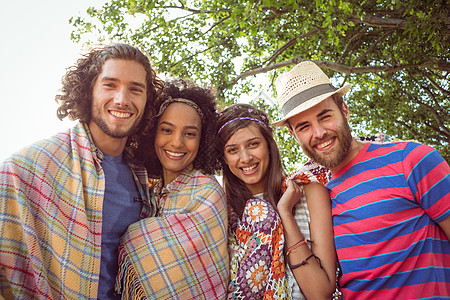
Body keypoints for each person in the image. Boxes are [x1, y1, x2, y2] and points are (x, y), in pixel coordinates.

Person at [272, 61, 450, 298]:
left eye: (325, 116)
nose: (318, 133)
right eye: (304, 127)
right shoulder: (315, 195)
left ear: (344, 110)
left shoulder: (412, 160)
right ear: (294, 135)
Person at [0, 43, 164, 299]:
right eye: (110, 85)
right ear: (89, 92)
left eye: (135, 89)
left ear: (146, 101)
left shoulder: (144, 175)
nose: (122, 99)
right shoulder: (29, 166)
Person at [114, 80, 229, 299]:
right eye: (167, 130)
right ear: (152, 134)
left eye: (190, 134)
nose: (177, 143)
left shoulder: (207, 191)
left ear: (203, 140)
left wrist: (131, 238)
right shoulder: (146, 189)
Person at [216, 104, 337, 299]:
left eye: (253, 144)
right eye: (232, 150)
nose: (245, 158)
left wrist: (285, 215)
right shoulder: (221, 211)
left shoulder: (311, 192)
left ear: (269, 145)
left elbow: (320, 293)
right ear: (224, 158)